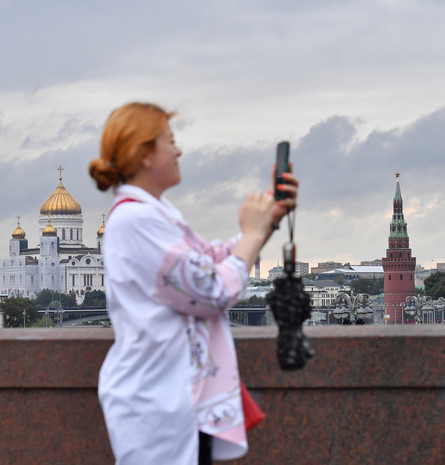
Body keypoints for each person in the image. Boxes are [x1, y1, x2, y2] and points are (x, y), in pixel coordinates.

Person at [89, 102, 298, 465]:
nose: (179, 150)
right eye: (169, 140)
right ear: (144, 155)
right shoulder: (136, 220)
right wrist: (252, 232)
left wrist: (269, 219)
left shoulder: (153, 215)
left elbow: (212, 261)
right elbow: (213, 290)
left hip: (174, 398)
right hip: (158, 403)